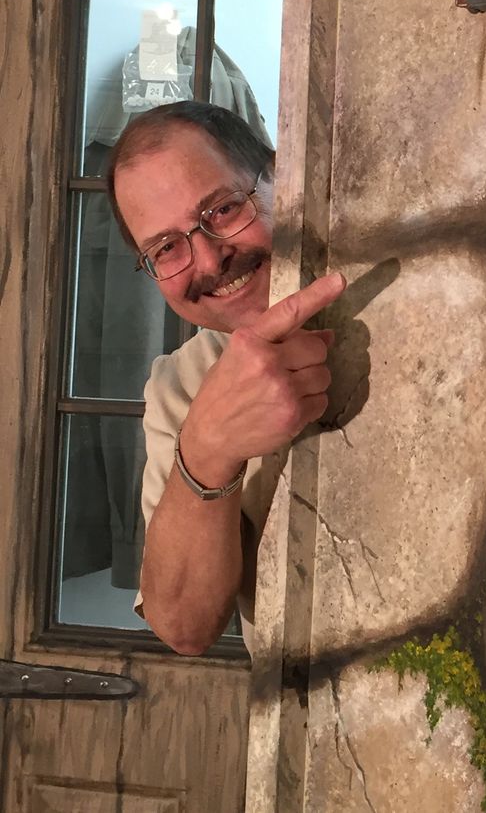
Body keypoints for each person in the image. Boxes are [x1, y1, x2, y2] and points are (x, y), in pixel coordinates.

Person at [106, 101, 345, 655]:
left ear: (280, 177)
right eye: (166, 248)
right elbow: (184, 628)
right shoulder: (177, 386)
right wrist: (208, 448)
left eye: (221, 209)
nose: (210, 261)